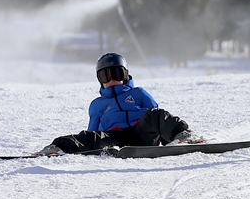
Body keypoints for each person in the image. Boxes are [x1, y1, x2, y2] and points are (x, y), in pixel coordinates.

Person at [36, 53, 204, 156]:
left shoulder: (139, 93)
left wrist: (166, 141)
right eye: (105, 76)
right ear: (99, 80)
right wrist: (92, 145)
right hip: (115, 139)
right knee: (90, 137)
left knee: (156, 115)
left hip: (141, 135)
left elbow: (156, 119)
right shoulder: (97, 105)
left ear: (124, 75)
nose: (111, 80)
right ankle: (58, 148)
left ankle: (184, 136)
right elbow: (92, 131)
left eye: (116, 74)